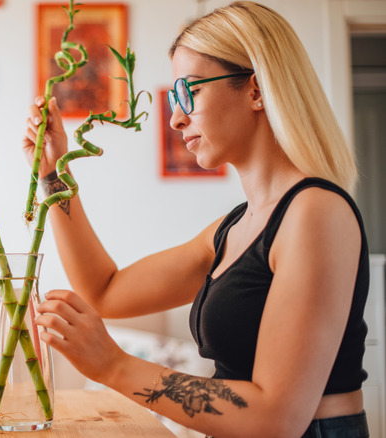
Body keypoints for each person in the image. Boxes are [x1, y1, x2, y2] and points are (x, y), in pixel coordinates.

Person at [24, 2, 370, 437]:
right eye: (175, 98)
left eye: (190, 92)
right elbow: (105, 291)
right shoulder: (233, 229)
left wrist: (113, 365)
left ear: (256, 90)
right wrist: (54, 175)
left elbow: (276, 417)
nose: (175, 117)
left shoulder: (315, 212)